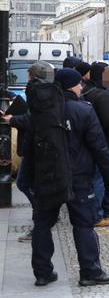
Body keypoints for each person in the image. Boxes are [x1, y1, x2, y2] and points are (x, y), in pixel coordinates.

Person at [30, 68, 109, 287]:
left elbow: (29, 146)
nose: (81, 87)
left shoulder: (41, 109)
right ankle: (90, 271)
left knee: (42, 223)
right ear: (71, 85)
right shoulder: (83, 111)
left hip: (48, 175)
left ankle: (42, 273)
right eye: (79, 84)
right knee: (83, 224)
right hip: (78, 177)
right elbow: (99, 147)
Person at [2, 61, 55, 243]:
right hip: (37, 146)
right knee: (27, 184)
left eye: (29, 75)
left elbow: (33, 118)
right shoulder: (46, 92)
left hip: (37, 148)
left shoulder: (41, 93)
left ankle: (42, 217)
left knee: (27, 184)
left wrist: (13, 119)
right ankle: (42, 217)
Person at [81, 62, 109, 226]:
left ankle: (93, 210)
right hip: (105, 143)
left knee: (93, 178)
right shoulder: (103, 94)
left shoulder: (85, 90)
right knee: (103, 178)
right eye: (108, 74)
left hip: (88, 142)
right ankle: (98, 214)